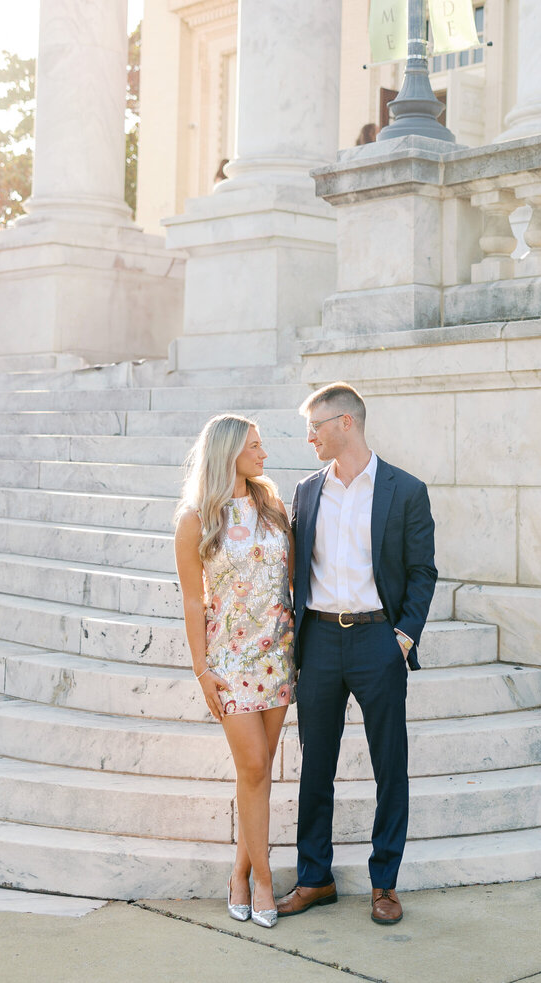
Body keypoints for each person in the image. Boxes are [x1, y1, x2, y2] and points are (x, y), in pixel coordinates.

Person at [276, 382, 437, 926]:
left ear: (345, 422)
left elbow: (422, 573)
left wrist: (403, 637)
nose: (309, 438)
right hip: (318, 641)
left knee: (390, 765)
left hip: (377, 641)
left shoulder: (406, 490)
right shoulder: (305, 491)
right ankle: (314, 878)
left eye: (315, 427)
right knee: (314, 765)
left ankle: (384, 883)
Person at [174, 414, 295, 929]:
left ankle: (239, 874)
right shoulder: (196, 519)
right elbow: (192, 601)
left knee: (259, 771)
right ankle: (263, 881)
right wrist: (203, 671)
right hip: (230, 664)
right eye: (254, 446)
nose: (264, 455)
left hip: (278, 657)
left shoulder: (271, 505)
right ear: (228, 453)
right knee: (252, 767)